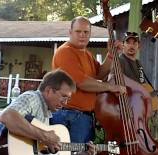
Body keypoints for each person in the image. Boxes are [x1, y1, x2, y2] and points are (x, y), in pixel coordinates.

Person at [0, 70, 95, 155]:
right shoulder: (32, 98)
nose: (65, 103)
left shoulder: (46, 112)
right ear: (48, 90)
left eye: (68, 99)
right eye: (63, 96)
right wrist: (45, 136)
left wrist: (79, 154)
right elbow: (7, 116)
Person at [51, 16, 126, 148]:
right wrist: (111, 87)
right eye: (78, 31)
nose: (82, 35)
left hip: (83, 117)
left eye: (86, 32)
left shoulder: (86, 54)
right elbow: (82, 83)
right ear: (70, 32)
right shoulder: (65, 52)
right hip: (69, 115)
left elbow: (99, 74)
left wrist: (111, 55)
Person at [118, 31, 158, 105]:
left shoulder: (138, 63)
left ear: (139, 46)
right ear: (122, 45)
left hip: (138, 109)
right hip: (125, 108)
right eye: (128, 43)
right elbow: (115, 83)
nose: (131, 46)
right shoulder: (119, 61)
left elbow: (143, 93)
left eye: (134, 43)